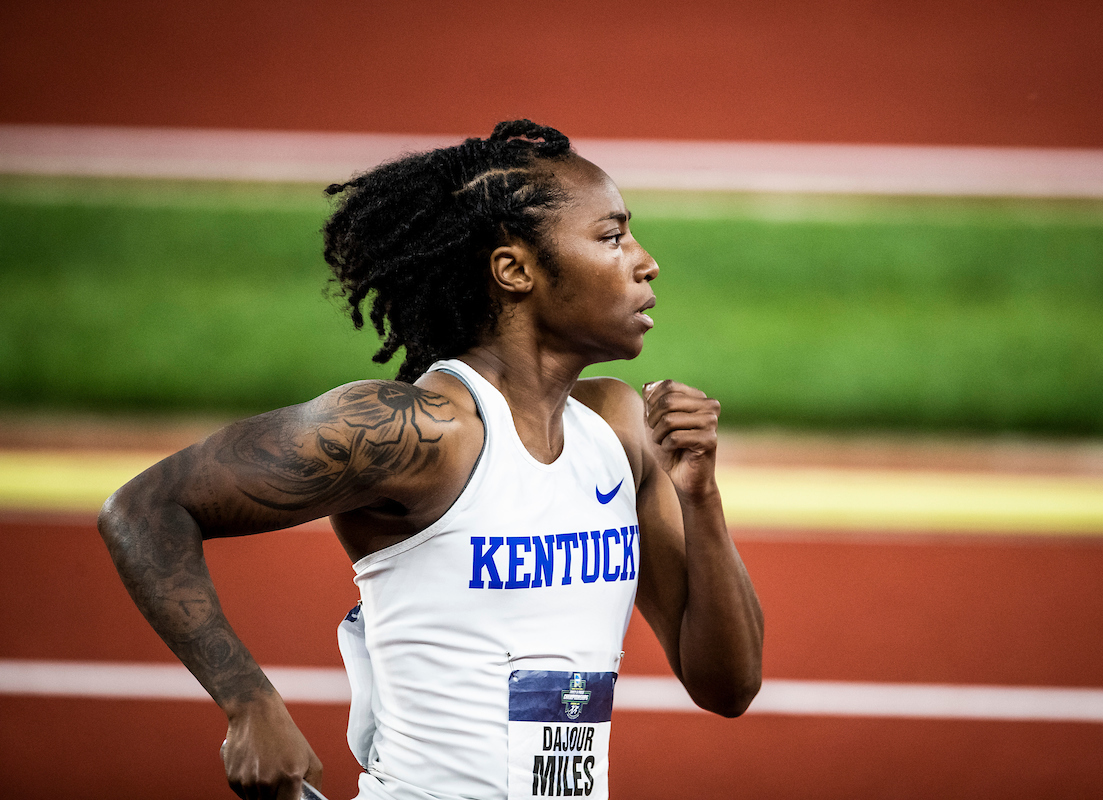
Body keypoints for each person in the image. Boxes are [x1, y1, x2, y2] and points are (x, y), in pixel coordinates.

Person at [98, 119, 763, 800]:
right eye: (612, 236)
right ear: (514, 270)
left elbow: (729, 685)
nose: (645, 261)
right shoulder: (419, 431)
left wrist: (700, 497)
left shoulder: (619, 430)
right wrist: (248, 703)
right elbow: (146, 508)